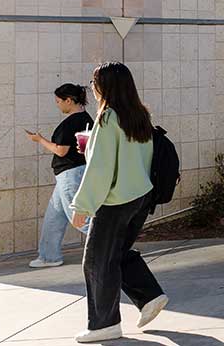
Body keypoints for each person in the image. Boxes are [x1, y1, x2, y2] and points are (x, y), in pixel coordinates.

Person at [71, 62, 168, 343]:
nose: (92, 86)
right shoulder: (139, 115)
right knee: (115, 254)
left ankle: (105, 324)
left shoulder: (108, 118)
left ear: (105, 86)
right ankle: (150, 297)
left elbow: (100, 169)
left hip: (116, 201)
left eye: (94, 81)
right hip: (140, 197)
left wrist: (83, 206)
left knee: (96, 262)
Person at [26, 84, 94, 268]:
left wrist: (39, 140)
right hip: (75, 172)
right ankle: (49, 256)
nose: (58, 105)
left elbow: (61, 151)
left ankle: (116, 246)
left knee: (79, 218)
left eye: (58, 101)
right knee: (54, 216)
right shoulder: (87, 118)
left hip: (70, 174)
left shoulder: (71, 122)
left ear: (69, 101)